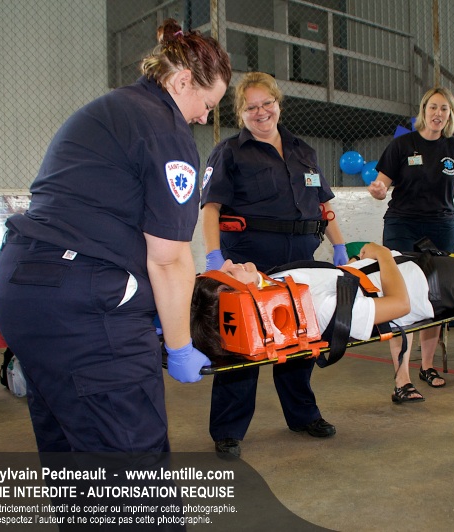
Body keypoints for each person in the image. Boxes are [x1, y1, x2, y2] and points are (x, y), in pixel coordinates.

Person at [0, 19, 231, 452]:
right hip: (84, 305)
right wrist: (179, 345)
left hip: (21, 290)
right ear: (182, 81)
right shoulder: (165, 128)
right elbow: (168, 258)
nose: (204, 117)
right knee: (131, 468)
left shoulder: (111, 109)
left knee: (71, 449)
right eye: (208, 104)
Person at [201, 72, 348, 458]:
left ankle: (303, 415)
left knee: (301, 340)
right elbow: (211, 207)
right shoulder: (229, 152)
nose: (261, 112)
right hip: (249, 261)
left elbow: (323, 205)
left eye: (266, 103)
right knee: (241, 346)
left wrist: (339, 246)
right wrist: (214, 258)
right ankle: (228, 430)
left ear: (278, 104)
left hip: (301, 258)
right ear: (240, 113)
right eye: (251, 107)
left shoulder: (303, 151)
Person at [191, 245, 454, 391]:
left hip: (410, 267)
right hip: (428, 287)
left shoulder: (279, 288)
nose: (228, 263)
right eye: (227, 274)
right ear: (244, 301)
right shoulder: (317, 311)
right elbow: (398, 305)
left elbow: (337, 281)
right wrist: (381, 254)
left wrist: (361, 264)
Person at [368, 86, 454, 395]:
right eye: (433, 107)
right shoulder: (403, 145)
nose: (438, 113)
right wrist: (378, 190)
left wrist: (451, 190)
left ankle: (427, 366)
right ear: (423, 111)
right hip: (402, 225)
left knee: (435, 295)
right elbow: (381, 184)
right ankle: (401, 377)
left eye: (444, 108)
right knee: (401, 296)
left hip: (441, 226)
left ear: (450, 115)